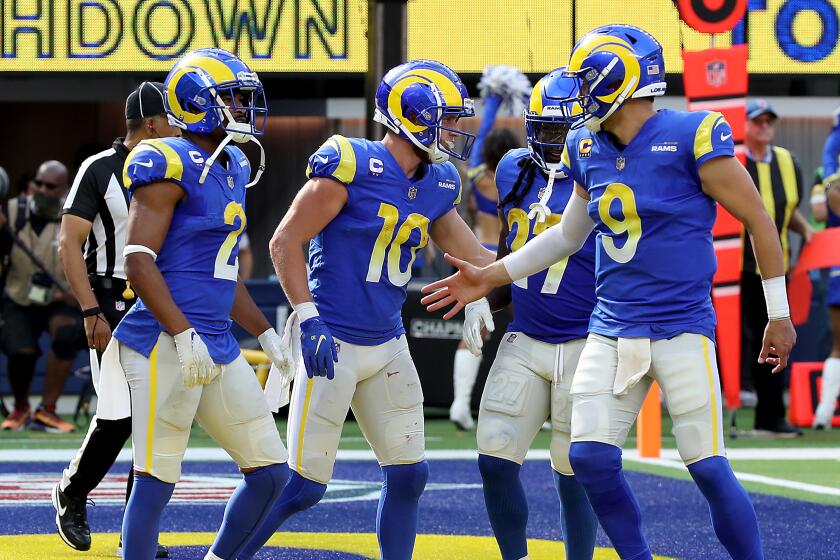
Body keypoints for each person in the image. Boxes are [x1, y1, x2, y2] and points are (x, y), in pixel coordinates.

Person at [421, 24, 796, 560]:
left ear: (616, 78)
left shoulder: (693, 135)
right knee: (590, 459)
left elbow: (759, 220)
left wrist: (777, 313)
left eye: (586, 79)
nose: (577, 93)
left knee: (707, 464)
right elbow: (567, 235)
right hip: (612, 326)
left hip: (681, 324)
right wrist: (492, 275)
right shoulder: (585, 144)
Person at [240, 59, 495, 560]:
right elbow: (284, 242)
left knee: (409, 474)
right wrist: (307, 316)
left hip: (388, 342)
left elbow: (480, 260)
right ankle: (224, 556)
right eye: (446, 117)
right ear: (412, 114)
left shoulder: (440, 182)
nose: (455, 130)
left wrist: (543, 259)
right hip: (331, 337)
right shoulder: (351, 162)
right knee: (302, 486)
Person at [110, 48, 291, 560]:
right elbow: (139, 262)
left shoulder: (233, 163)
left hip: (214, 339)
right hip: (161, 338)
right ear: (195, 104)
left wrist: (267, 333)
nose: (243, 107)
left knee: (270, 473)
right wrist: (183, 332)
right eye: (231, 97)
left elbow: (222, 273)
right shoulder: (164, 160)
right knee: (157, 473)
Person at [464, 68, 599, 560]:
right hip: (526, 334)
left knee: (573, 471)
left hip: (587, 341)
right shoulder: (513, 169)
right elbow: (508, 248)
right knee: (495, 460)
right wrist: (486, 295)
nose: (550, 139)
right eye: (542, 127)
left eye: (561, 130)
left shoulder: (605, 171)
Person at [53, 81, 179, 556]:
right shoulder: (100, 169)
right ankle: (71, 491)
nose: (179, 128)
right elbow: (69, 244)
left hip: (158, 299)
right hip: (109, 296)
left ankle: (136, 530)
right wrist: (89, 309)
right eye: (170, 120)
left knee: (153, 417)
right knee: (118, 415)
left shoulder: (176, 168)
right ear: (151, 123)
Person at [449, 66, 525, 430]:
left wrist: (492, 100)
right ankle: (528, 406)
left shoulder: (477, 176)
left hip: (473, 253)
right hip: (508, 259)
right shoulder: (519, 179)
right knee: (526, 330)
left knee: (475, 328)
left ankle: (461, 404)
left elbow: (478, 142)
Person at [741, 98, 812, 437]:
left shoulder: (787, 161)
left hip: (771, 267)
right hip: (731, 268)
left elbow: (787, 211)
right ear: (744, 125)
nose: (764, 126)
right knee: (725, 337)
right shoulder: (732, 159)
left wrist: (808, 232)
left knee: (775, 336)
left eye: (769, 120)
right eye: (757, 120)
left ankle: (770, 417)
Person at [0, 160, 81, 433]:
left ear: (64, 189)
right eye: (39, 183)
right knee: (21, 351)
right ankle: (21, 408)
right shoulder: (11, 212)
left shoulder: (75, 215)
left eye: (51, 186)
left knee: (67, 334)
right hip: (19, 295)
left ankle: (47, 411)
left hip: (60, 298)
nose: (43, 190)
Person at [813, 107, 840, 430]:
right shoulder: (826, 175)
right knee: (838, 344)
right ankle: (822, 412)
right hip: (836, 259)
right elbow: (820, 211)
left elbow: (819, 210)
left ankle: (822, 413)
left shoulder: (826, 173)